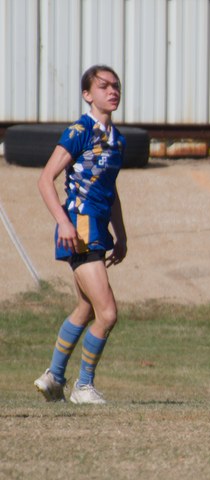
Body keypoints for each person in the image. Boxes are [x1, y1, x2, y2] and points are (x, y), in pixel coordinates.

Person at [33, 65, 128, 405]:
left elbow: (110, 189)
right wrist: (63, 221)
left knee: (86, 308)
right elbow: (46, 179)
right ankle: (83, 386)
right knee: (108, 313)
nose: (112, 90)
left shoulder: (116, 138)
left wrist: (122, 235)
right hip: (80, 228)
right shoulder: (80, 130)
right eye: (103, 86)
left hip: (99, 230)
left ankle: (54, 376)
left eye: (116, 85)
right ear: (88, 95)